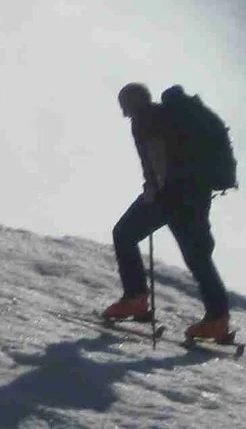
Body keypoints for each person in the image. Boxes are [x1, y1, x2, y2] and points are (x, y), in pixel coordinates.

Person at [98, 82, 233, 342]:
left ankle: (135, 299)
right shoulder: (167, 116)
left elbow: (158, 153)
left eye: (124, 102)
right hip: (196, 192)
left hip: (172, 194)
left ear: (133, 101)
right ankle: (218, 319)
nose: (123, 109)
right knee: (198, 257)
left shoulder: (146, 119)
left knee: (124, 234)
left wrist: (155, 186)